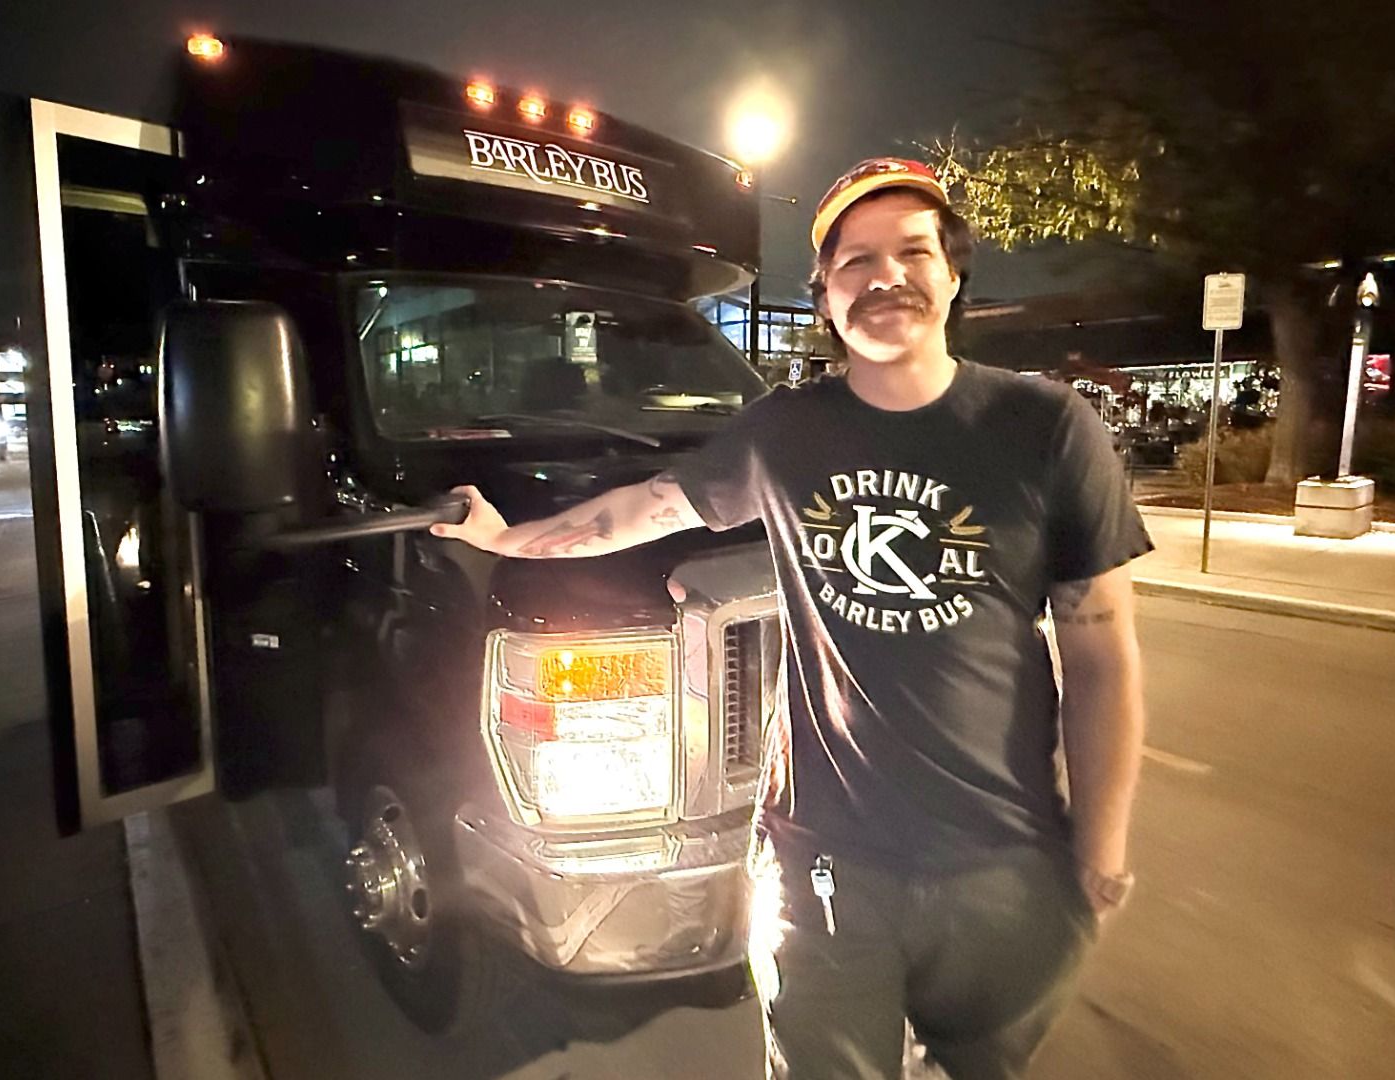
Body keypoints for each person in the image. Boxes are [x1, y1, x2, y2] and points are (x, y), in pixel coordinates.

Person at [430, 156, 1152, 1079]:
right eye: (855, 261)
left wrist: (1099, 854)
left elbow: (1102, 656)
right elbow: (647, 508)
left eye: (913, 251)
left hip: (1007, 871)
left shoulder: (1046, 429)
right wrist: (511, 541)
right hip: (827, 869)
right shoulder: (785, 433)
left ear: (953, 273)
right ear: (825, 296)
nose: (886, 277)